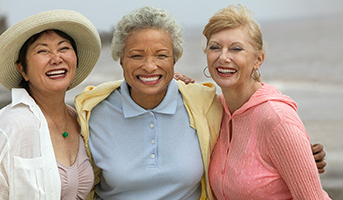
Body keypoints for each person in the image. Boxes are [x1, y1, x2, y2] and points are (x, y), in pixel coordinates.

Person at [74, 6, 327, 200]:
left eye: (161, 55)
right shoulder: (91, 111)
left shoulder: (202, 105)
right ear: (120, 59)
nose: (149, 66)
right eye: (136, 55)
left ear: (175, 60)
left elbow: (266, 126)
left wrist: (298, 156)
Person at [0, 10, 101, 199]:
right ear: (22, 69)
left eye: (64, 48)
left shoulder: (78, 119)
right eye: (42, 51)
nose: (56, 58)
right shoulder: (11, 125)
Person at [203, 5, 331, 199]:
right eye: (215, 47)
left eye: (236, 48)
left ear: (258, 59)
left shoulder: (277, 119)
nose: (223, 57)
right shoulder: (215, 110)